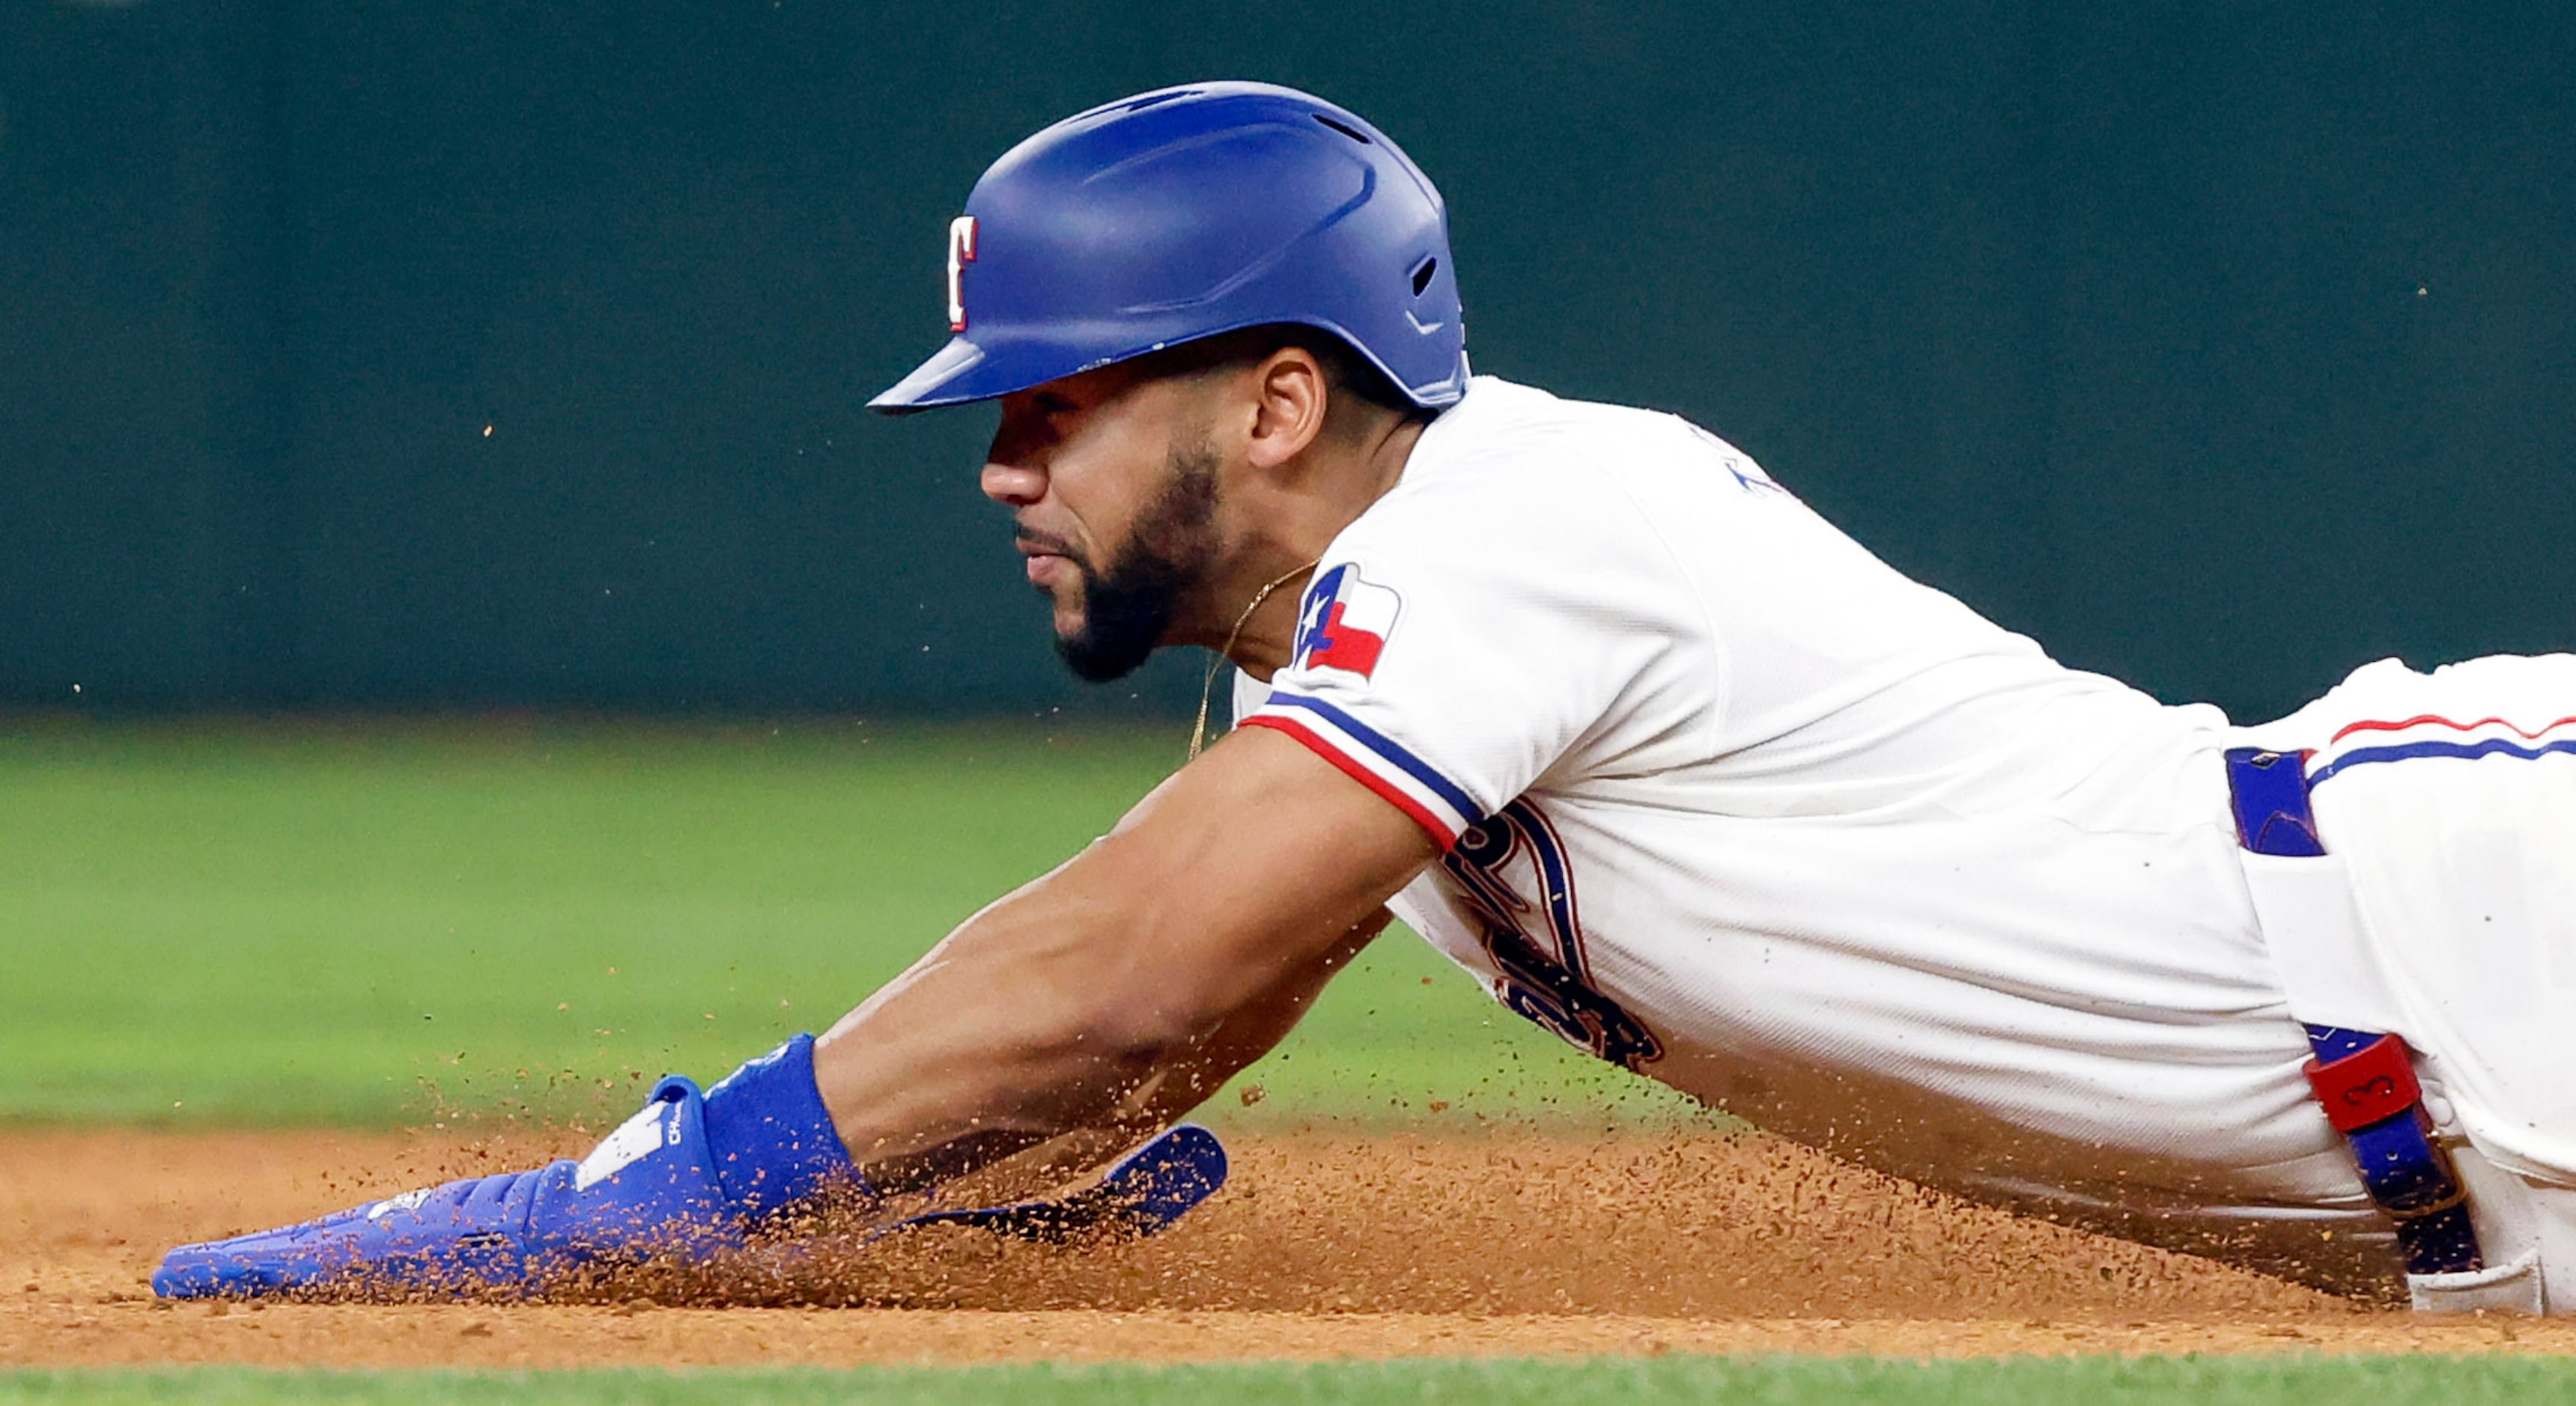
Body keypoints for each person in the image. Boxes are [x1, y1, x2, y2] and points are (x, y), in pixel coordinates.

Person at [157, 81, 2575, 1313]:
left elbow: (1131, 961)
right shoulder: (1371, 685)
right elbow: (1161, 1034)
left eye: (1059, 394)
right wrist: (873, 1215)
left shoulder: (1513, 524)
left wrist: (639, 1202)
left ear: (1279, 402)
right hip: (2468, 1141)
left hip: (2486, 897)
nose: (1005, 458)